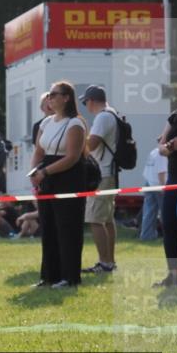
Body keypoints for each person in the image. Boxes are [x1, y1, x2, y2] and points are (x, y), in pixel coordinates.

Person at [29, 81, 87, 289]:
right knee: (49, 226)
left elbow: (72, 157)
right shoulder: (46, 123)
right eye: (49, 95)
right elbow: (39, 151)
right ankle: (49, 276)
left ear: (66, 98)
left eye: (54, 94)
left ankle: (69, 276)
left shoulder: (75, 124)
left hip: (68, 178)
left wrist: (45, 171)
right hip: (47, 179)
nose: (50, 98)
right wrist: (34, 171)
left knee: (67, 227)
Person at [81, 86, 120, 274]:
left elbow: (91, 144)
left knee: (95, 220)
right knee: (107, 220)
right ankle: (109, 261)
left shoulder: (103, 117)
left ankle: (105, 263)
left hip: (102, 173)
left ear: (91, 100)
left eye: (85, 102)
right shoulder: (113, 114)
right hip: (110, 172)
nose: (85, 106)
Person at [154, 87, 177, 288]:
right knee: (169, 224)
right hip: (174, 178)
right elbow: (161, 148)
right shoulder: (175, 117)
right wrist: (171, 147)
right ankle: (173, 277)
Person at [140, 145, 168, 241]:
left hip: (149, 183)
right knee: (166, 212)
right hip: (158, 185)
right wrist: (164, 189)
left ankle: (146, 235)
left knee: (148, 212)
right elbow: (161, 173)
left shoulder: (153, 152)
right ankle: (169, 236)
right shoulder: (162, 154)